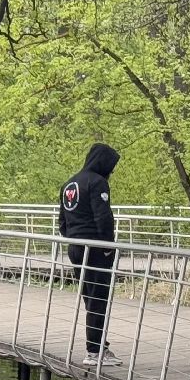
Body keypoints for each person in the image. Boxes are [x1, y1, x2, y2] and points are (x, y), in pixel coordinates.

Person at [58, 142, 121, 367]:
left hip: (75, 246)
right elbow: (103, 218)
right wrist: (107, 246)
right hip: (95, 248)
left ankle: (99, 345)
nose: (112, 172)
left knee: (89, 297)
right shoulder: (97, 182)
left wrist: (74, 238)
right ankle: (94, 351)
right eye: (111, 166)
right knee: (99, 298)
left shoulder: (69, 184)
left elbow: (62, 223)